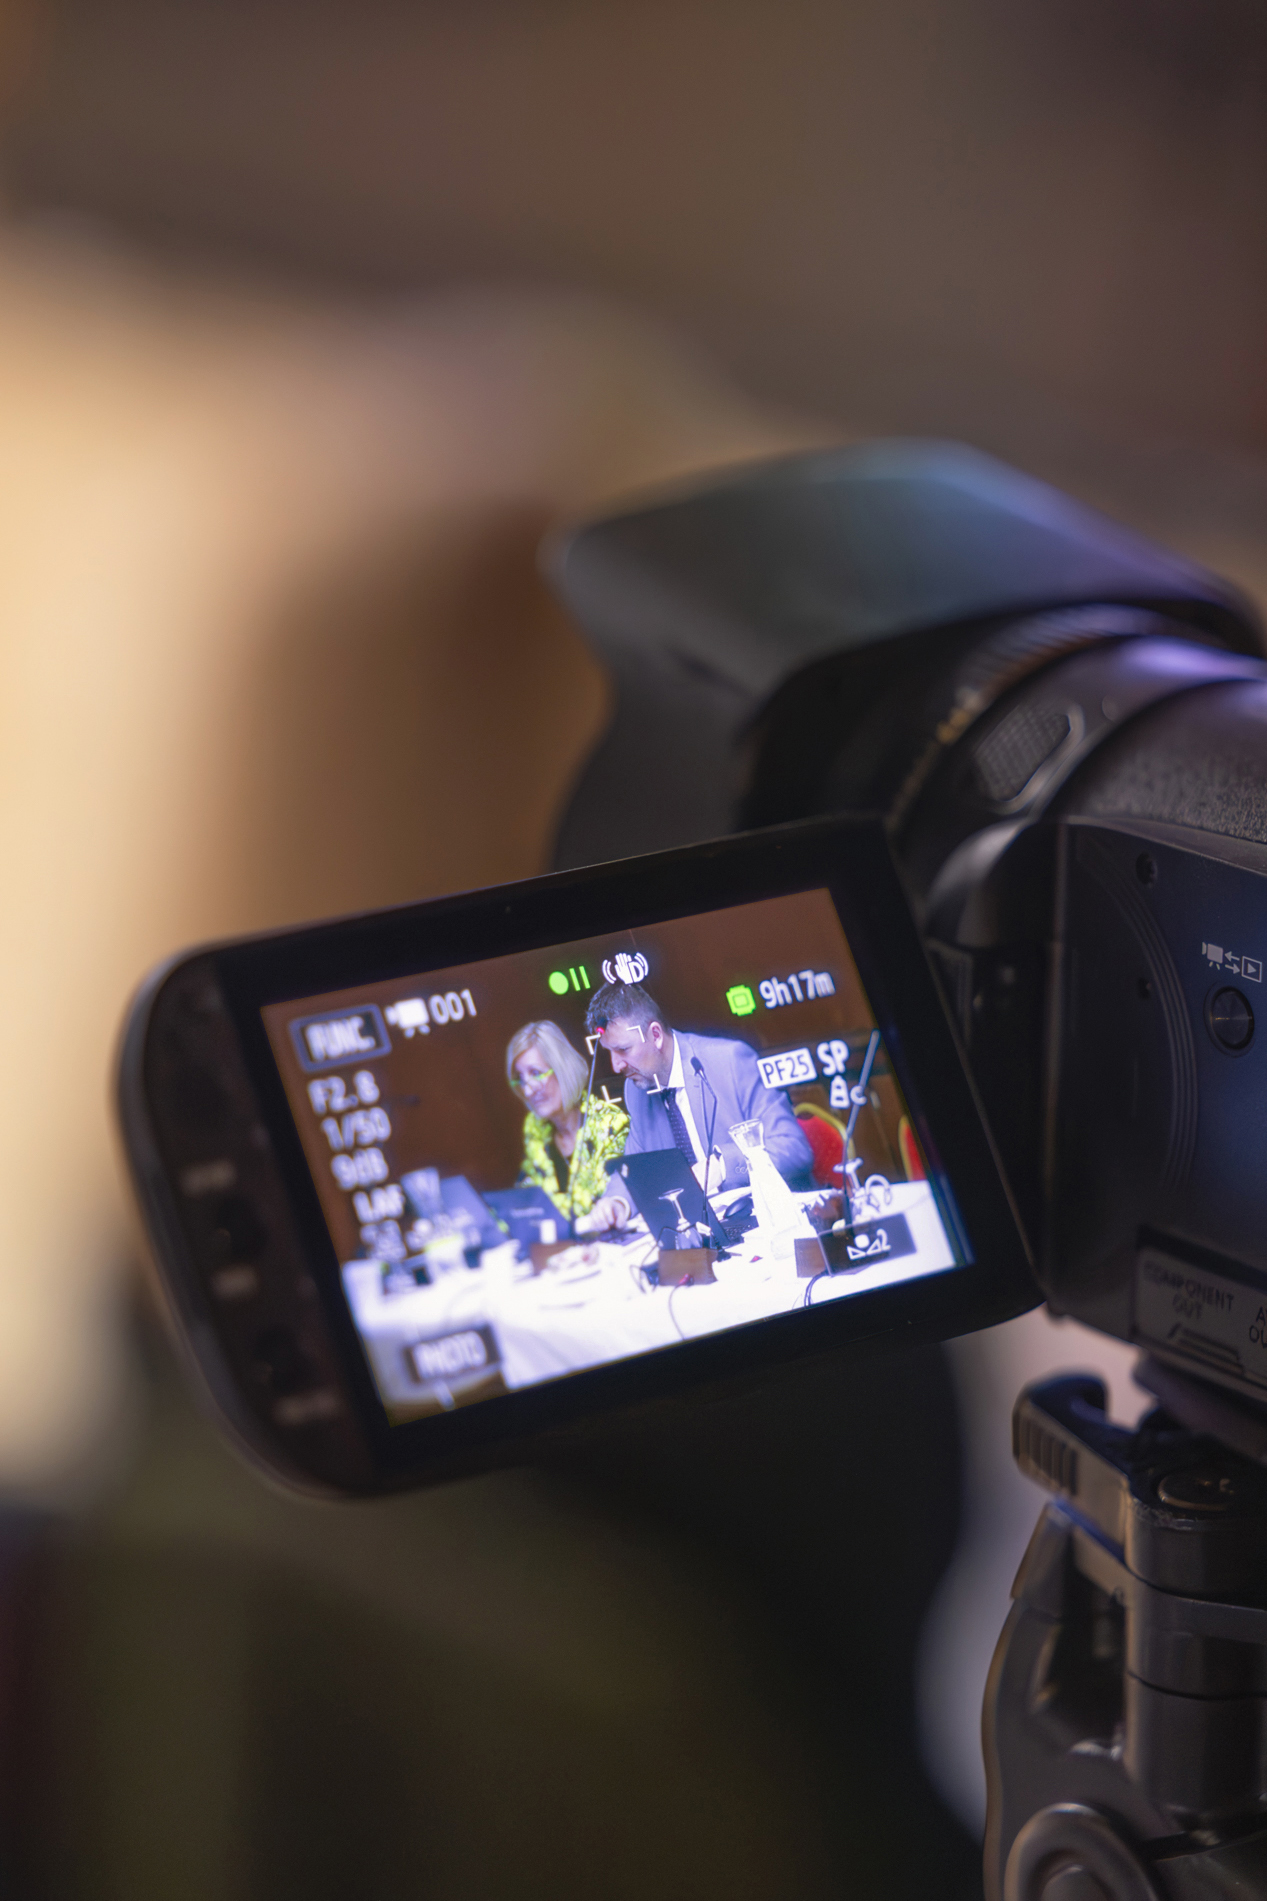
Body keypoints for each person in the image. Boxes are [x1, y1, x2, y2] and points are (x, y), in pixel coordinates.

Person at [580, 982, 813, 1232]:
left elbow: (793, 1147)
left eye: (623, 1049)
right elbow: (636, 1169)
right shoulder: (636, 1090)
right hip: (702, 1236)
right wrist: (617, 1202)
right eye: (609, 1052)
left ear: (655, 1035)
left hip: (772, 1225)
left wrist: (721, 1167)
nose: (616, 1065)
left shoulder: (730, 1061)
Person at [506, 1020, 629, 1219]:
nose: (527, 1090)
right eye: (520, 1079)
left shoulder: (610, 1125)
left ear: (562, 1069)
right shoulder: (535, 1130)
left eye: (536, 1073)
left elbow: (616, 1202)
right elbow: (528, 1205)